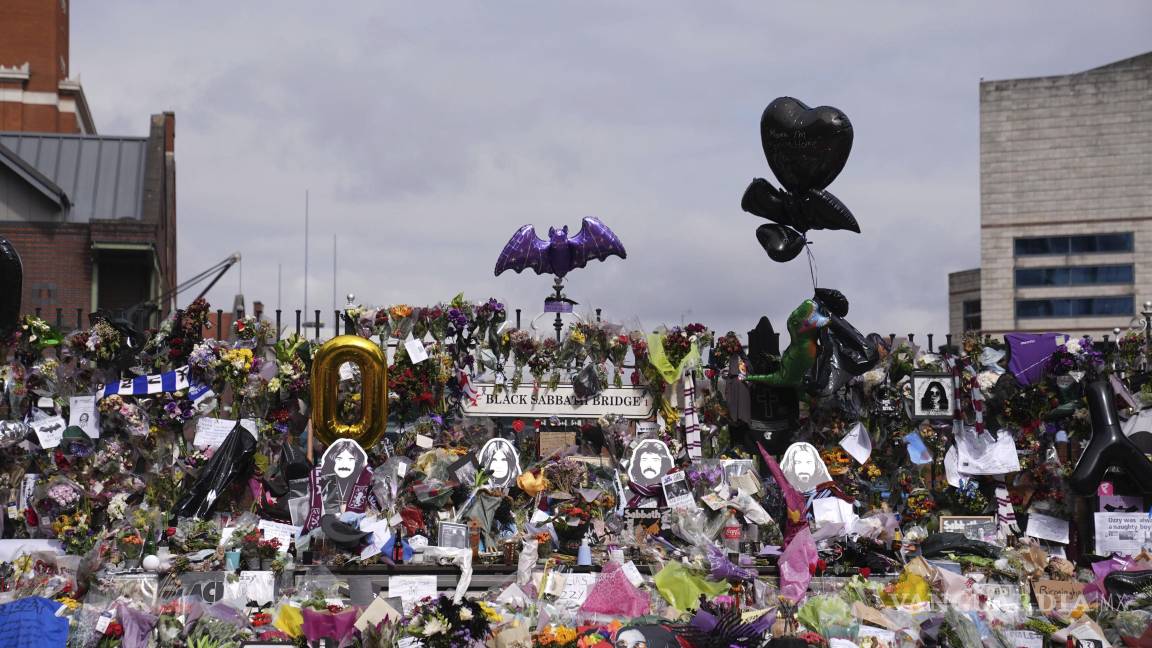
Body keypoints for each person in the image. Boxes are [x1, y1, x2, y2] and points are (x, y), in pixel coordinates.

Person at [318, 438, 368, 514]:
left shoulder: (365, 484)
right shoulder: (321, 484)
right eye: (339, 459)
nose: (345, 464)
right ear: (332, 461)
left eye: (350, 459)